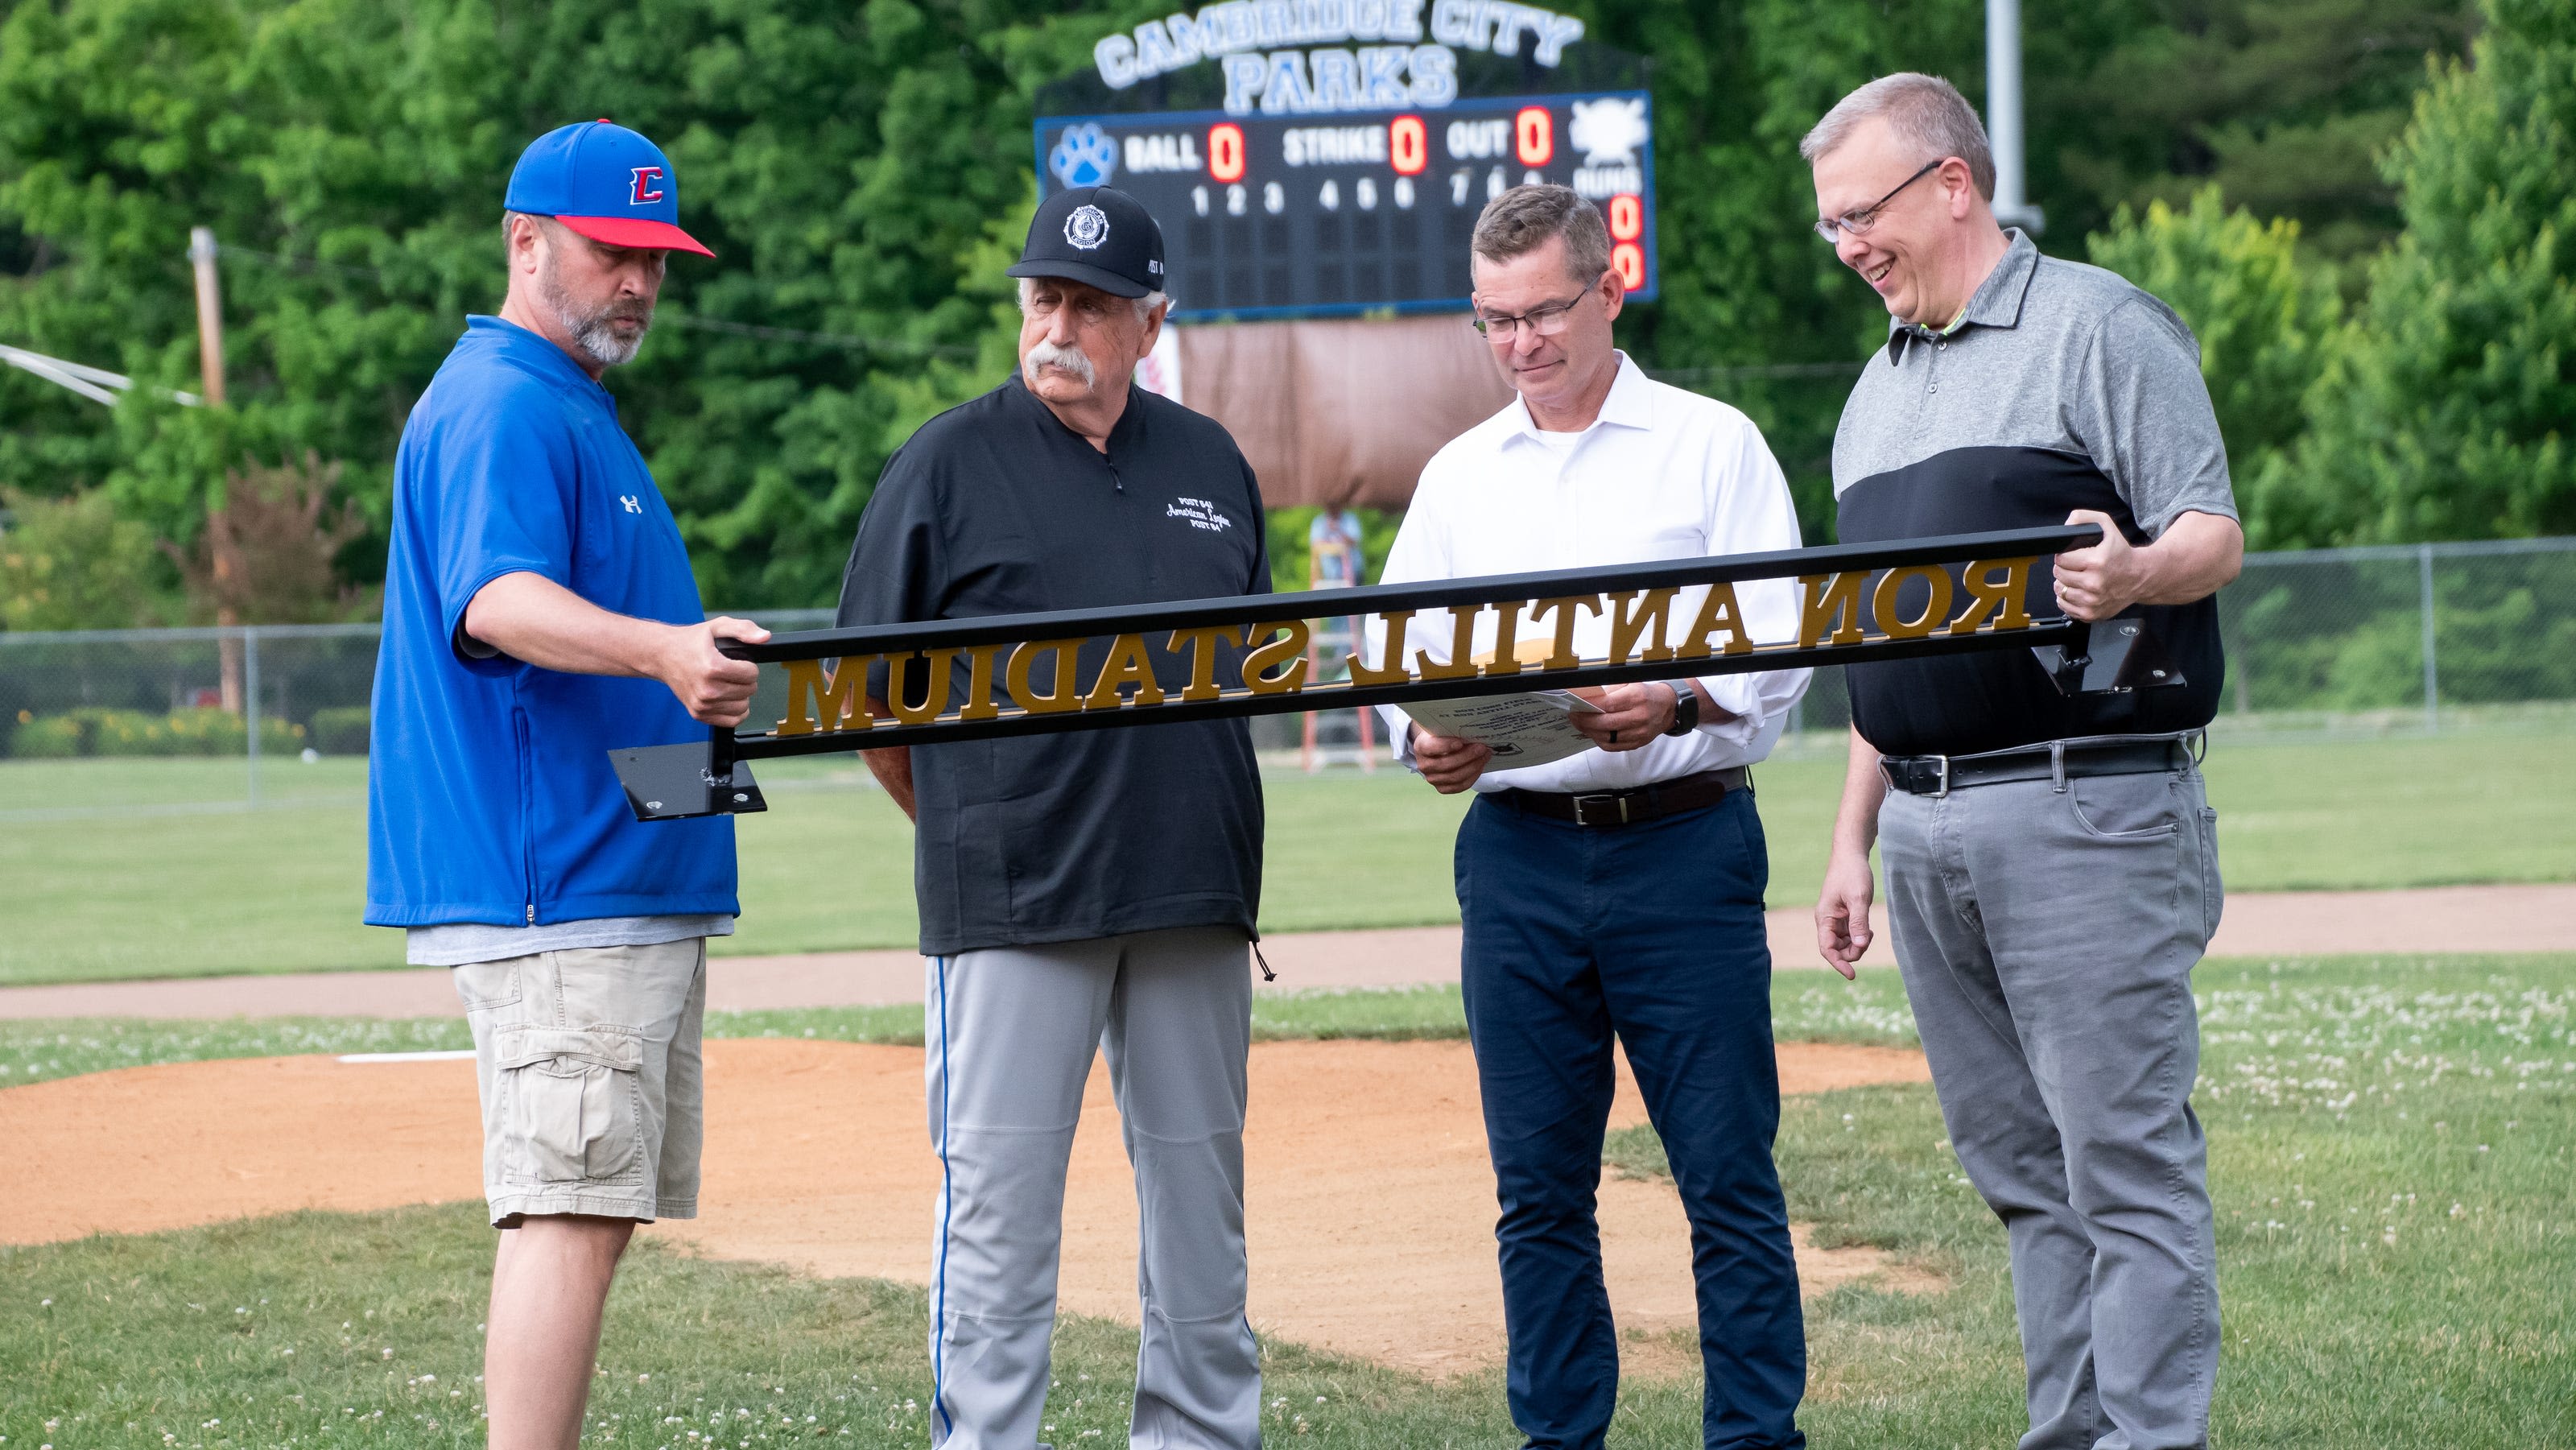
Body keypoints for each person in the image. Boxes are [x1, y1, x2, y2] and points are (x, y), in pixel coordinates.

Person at [1802, 74, 2244, 1450]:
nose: (1847, 247)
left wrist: (2134, 574)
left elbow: (2212, 531)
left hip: (2085, 806)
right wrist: (1849, 840)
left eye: (1859, 215)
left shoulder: (2097, 326)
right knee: (2020, 1172)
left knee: (2122, 1165)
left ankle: (2151, 1439)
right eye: (1827, 229)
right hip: (1927, 828)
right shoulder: (1874, 394)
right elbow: (1891, 647)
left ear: (1952, 183)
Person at [1371, 184, 1813, 1450]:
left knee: (1725, 1173)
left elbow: (1782, 647)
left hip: (1684, 838)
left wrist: (1676, 696)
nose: (1522, 344)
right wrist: (1422, 735)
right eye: (1494, 321)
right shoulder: (1459, 476)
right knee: (1538, 1193)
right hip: (1516, 857)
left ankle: (1753, 1436)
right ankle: (1559, 1436)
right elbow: (1396, 648)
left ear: (1610, 287)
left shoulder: (1711, 445)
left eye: (1546, 312)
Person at [834, 184, 1272, 1450]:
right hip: (1015, 900)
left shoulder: (1209, 462)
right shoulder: (944, 463)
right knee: (1000, 1221)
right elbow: (873, 704)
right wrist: (988, 817)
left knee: (1202, 1210)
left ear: (1151, 320)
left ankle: (1198, 1436)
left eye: (1088, 301)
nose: (1058, 321)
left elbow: (1249, 660)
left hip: (1193, 888)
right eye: (1042, 296)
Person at [365, 120, 766, 1450]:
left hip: (616, 872)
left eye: (657, 256)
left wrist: (696, 666)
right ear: (525, 243)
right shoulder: (504, 400)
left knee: (592, 1208)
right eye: (612, 252)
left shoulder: (567, 404)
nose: (639, 281)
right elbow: (494, 599)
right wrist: (662, 649)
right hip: (563, 889)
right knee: (567, 1207)